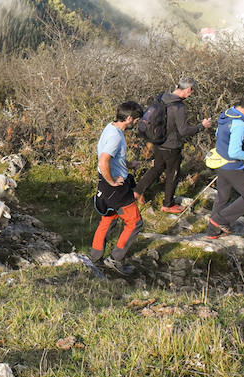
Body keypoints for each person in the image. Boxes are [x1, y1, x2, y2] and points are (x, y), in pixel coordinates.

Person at [135, 78, 214, 214]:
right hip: (171, 146)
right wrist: (202, 126)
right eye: (192, 92)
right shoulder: (179, 107)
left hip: (157, 141)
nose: (191, 95)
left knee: (157, 168)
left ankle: (137, 192)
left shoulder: (162, 98)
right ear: (188, 89)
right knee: (173, 174)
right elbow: (184, 131)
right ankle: (168, 204)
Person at [91, 100, 144, 274]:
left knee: (108, 220)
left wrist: (128, 164)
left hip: (105, 187)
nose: (137, 122)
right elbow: (104, 159)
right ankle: (115, 259)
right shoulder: (115, 136)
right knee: (135, 223)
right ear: (129, 118)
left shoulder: (111, 128)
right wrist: (113, 181)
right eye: (136, 119)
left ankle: (95, 259)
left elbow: (113, 158)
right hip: (116, 188)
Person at [205, 92, 244, 239]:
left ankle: (212, 231)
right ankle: (219, 220)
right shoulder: (240, 125)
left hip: (221, 163)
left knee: (223, 197)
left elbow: (219, 133)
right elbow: (235, 152)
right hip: (233, 166)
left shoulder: (226, 115)